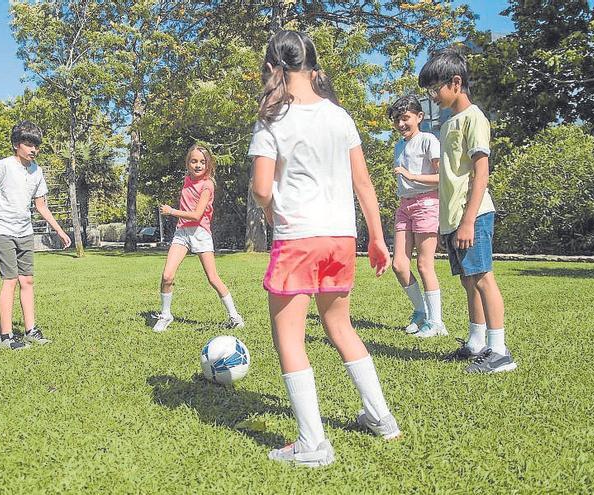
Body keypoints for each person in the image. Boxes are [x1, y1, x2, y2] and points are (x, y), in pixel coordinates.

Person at [248, 30, 399, 467]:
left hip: (298, 237)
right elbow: (364, 183)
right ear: (312, 66)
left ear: (273, 68)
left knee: (290, 339)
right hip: (341, 238)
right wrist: (377, 237)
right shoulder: (340, 116)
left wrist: (271, 205)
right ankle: (381, 417)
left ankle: (313, 444)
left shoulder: (272, 119)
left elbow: (261, 189)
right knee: (341, 327)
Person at [418, 47, 517, 373]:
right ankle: (476, 343)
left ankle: (499, 351)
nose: (434, 97)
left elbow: (481, 173)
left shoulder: (474, 119)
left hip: (471, 215)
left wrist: (467, 221)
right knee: (467, 281)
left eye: (436, 89)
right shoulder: (449, 123)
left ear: (456, 82)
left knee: (483, 278)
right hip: (452, 218)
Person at [0, 121, 72, 350]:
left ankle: (30, 331)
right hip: (3, 231)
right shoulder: (4, 166)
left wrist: (60, 230)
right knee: (9, 281)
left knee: (27, 280)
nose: (33, 150)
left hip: (25, 232)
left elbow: (41, 206)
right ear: (17, 145)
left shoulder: (37, 171)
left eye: (35, 146)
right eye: (28, 144)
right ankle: (5, 337)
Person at [152, 144, 244, 332]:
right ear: (188, 163)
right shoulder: (187, 180)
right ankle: (166, 314)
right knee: (167, 275)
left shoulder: (207, 185)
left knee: (212, 278)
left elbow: (196, 214)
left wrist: (171, 211)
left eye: (202, 162)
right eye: (194, 161)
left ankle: (235, 317)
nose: (198, 165)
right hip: (182, 233)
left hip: (200, 233)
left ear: (208, 165)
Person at [387, 94, 447, 338]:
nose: (401, 124)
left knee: (424, 265)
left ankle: (437, 323)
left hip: (426, 204)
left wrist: (411, 176)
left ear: (419, 117)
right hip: (405, 206)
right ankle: (421, 312)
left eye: (405, 118)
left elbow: (441, 177)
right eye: (396, 120)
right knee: (399, 265)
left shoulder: (428, 140)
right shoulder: (400, 145)